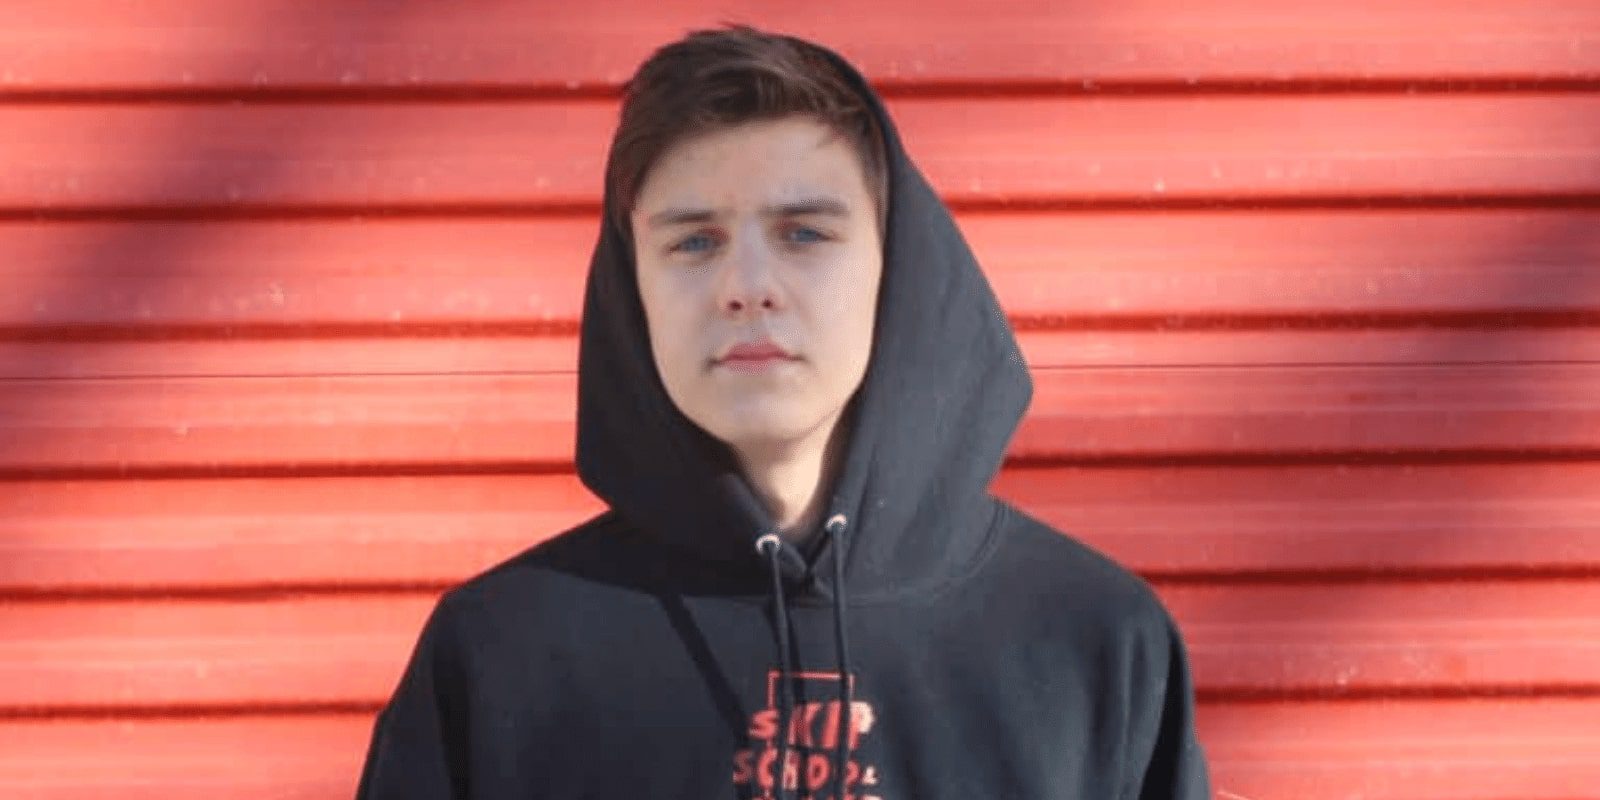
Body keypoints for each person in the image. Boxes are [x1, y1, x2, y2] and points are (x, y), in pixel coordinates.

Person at [355, 23, 1211, 800]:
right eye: (694, 241)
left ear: (898, 272)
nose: (747, 288)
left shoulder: (1094, 642)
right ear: (632, 289)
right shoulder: (502, 659)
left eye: (804, 233)